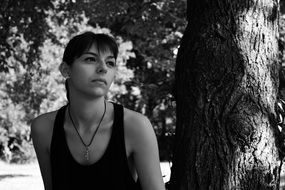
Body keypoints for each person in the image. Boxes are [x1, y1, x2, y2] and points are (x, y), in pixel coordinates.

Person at [31, 31, 165, 190]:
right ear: (66, 70)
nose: (103, 68)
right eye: (90, 59)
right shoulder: (44, 128)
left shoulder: (136, 126)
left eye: (110, 63)